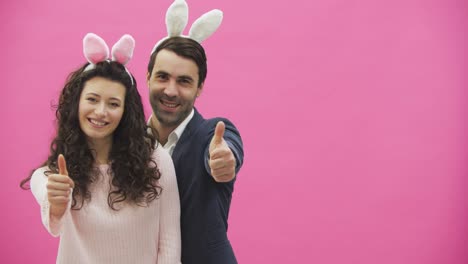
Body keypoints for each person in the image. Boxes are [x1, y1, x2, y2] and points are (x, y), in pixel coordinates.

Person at [20, 33, 181, 264]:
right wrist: (56, 201)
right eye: (92, 99)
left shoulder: (155, 160)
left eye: (113, 103)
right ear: (77, 104)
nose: (101, 112)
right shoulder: (51, 175)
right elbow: (54, 217)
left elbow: (170, 243)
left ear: (126, 111)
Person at [146, 1, 244, 263]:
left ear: (200, 88)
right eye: (163, 77)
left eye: (184, 81)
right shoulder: (127, 141)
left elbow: (227, 149)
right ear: (148, 77)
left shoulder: (211, 133)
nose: (170, 90)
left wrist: (224, 160)